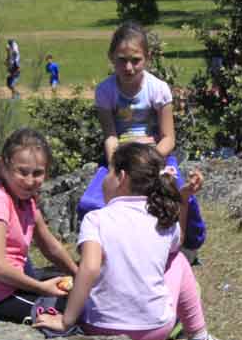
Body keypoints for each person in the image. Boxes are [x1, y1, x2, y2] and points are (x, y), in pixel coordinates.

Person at [34, 142, 233, 340]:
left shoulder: (96, 219)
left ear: (121, 177)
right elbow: (178, 244)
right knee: (177, 260)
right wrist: (183, 198)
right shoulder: (162, 219)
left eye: (108, 173)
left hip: (99, 329)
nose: (103, 180)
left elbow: (89, 267)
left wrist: (66, 321)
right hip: (153, 332)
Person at [76, 22, 206, 250]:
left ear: (147, 57)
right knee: (93, 202)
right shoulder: (105, 91)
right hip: (120, 157)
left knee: (180, 197)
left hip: (156, 156)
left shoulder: (157, 89)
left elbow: (168, 138)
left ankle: (186, 245)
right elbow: (110, 135)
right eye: (121, 60)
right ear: (111, 58)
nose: (128, 67)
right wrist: (117, 162)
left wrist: (148, 160)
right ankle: (106, 249)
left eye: (135, 60)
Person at [0, 128, 78, 322]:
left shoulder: (26, 200)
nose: (30, 181)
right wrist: (41, 288)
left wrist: (78, 274)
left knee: (78, 297)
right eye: (22, 172)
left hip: (11, 285)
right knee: (72, 311)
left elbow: (50, 246)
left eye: (38, 173)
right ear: (2, 166)